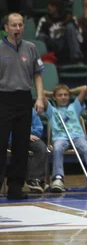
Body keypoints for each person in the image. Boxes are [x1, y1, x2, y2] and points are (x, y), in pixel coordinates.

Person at [0, 13, 45, 199]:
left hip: (24, 98)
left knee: (21, 144)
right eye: (13, 25)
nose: (17, 28)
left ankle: (15, 186)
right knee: (1, 143)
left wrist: (40, 97)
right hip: (3, 98)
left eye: (20, 25)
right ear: (6, 27)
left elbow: (37, 75)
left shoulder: (31, 48)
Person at [43, 84, 87, 192]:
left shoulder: (74, 107)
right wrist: (52, 94)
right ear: (54, 98)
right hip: (60, 138)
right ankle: (58, 178)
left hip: (78, 136)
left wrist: (68, 91)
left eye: (66, 95)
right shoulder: (52, 110)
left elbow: (84, 89)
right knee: (57, 148)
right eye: (60, 95)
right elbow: (41, 93)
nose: (63, 97)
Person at [35, 0, 84, 64]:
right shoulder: (44, 20)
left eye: (52, 6)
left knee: (70, 27)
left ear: (58, 8)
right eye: (48, 5)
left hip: (65, 45)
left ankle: (77, 58)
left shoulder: (70, 18)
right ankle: (42, 62)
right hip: (51, 46)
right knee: (41, 36)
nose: (49, 7)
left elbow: (79, 37)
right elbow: (38, 37)